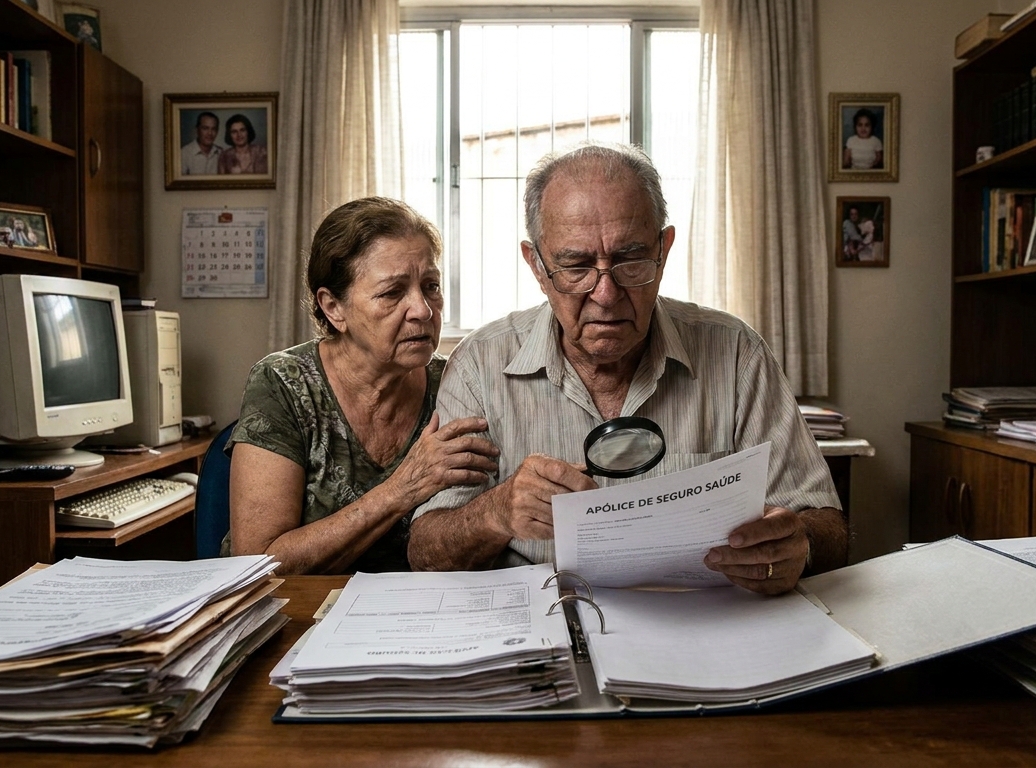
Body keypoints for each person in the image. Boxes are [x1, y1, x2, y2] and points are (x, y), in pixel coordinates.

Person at [407, 142, 846, 595]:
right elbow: (426, 553)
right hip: (544, 631)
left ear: (664, 249)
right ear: (537, 266)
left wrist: (800, 544)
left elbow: (828, 525)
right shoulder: (481, 365)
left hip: (703, 628)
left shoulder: (736, 353)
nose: (606, 294)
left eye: (630, 260)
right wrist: (494, 513)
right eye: (576, 266)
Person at [227, 197, 500, 574]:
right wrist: (401, 489)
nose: (423, 310)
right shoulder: (284, 383)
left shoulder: (457, 383)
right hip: (301, 615)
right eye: (393, 293)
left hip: (421, 612)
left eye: (431, 286)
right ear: (333, 308)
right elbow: (258, 562)